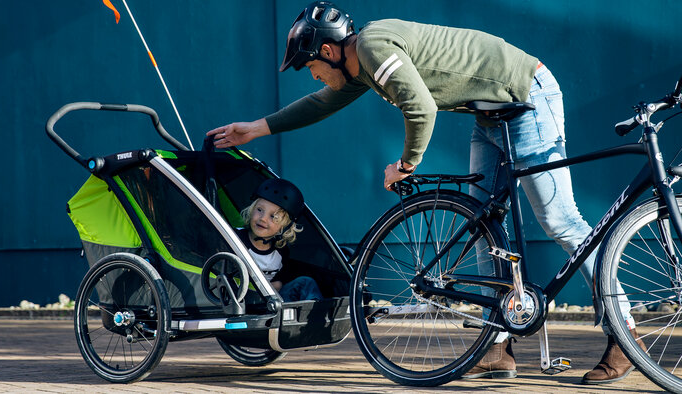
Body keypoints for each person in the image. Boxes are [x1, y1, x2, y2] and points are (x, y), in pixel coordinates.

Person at [207, 1, 641, 384]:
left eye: (311, 68)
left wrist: (407, 163)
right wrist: (258, 128)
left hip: (526, 96)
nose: (314, 77)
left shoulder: (374, 49)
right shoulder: (359, 62)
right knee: (482, 227)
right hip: (489, 115)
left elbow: (421, 107)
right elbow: (323, 102)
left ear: (326, 51)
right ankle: (496, 345)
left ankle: (624, 334)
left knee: (560, 220)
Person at [239, 178, 323, 302]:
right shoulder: (235, 238)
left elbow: (279, 282)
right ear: (251, 209)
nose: (263, 219)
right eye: (259, 210)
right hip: (241, 300)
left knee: (306, 282)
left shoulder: (281, 251)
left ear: (284, 227)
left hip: (272, 302)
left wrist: (271, 289)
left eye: (274, 217)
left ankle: (313, 316)